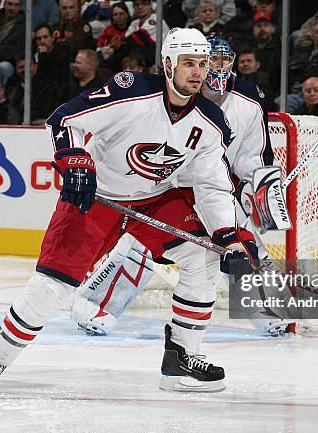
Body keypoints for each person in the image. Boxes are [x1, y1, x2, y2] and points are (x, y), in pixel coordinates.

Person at [0, 28, 260, 393]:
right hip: (98, 197)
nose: (198, 72)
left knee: (203, 257)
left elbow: (212, 186)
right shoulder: (131, 91)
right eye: (189, 63)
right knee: (54, 284)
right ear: (168, 64)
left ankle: (182, 359)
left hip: (155, 199)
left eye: (203, 64)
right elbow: (64, 120)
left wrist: (229, 237)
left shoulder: (212, 122)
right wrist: (76, 159)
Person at [67, 36, 294, 339]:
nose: (217, 67)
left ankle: (270, 311)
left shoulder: (250, 100)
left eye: (224, 60)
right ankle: (95, 303)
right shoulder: (170, 93)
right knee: (141, 244)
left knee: (243, 246)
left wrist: (263, 192)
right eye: (210, 60)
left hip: (214, 187)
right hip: (166, 185)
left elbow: (253, 157)